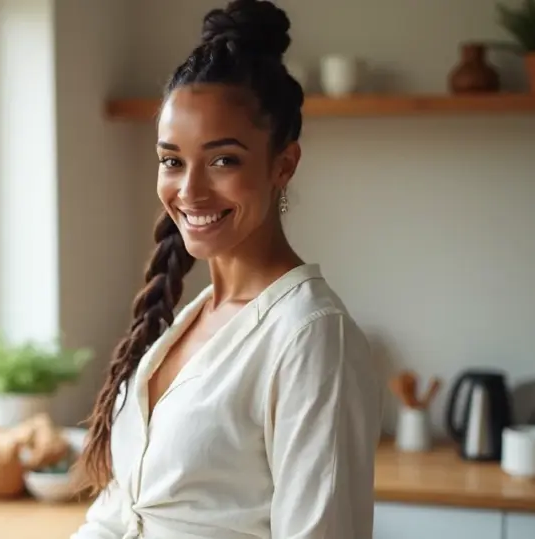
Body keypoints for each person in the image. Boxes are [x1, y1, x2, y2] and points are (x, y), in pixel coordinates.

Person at [72, 1, 382, 537]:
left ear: (283, 164)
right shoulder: (189, 320)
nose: (189, 191)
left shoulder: (310, 337)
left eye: (222, 160)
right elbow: (121, 512)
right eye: (172, 160)